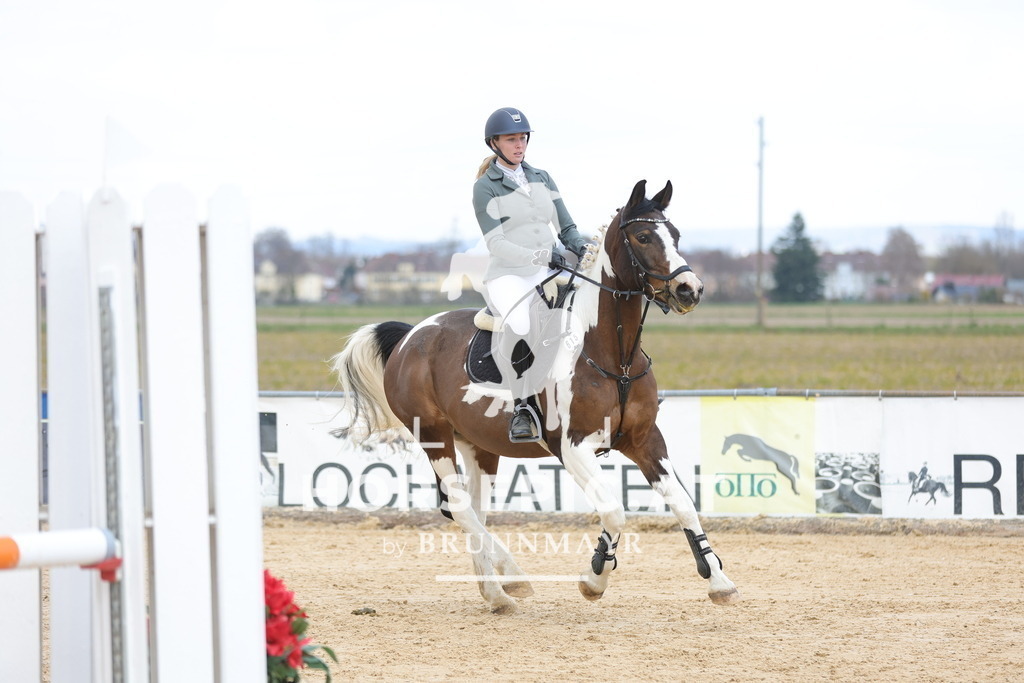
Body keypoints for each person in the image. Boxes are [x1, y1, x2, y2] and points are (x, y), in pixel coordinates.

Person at [473, 107, 589, 442]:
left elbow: (566, 227)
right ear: (495, 143)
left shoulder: (542, 177)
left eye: (522, 138)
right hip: (509, 275)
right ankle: (522, 407)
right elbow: (496, 242)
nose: (519, 144)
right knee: (521, 324)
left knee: (591, 308)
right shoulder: (485, 187)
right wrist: (539, 255)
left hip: (548, 269)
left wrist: (581, 247)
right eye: (511, 139)